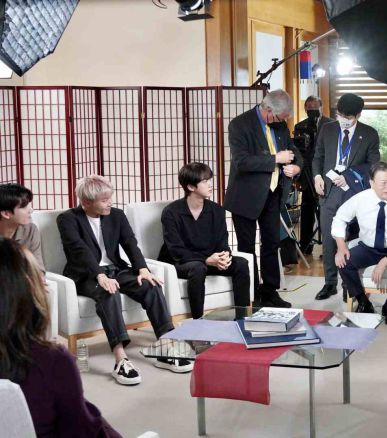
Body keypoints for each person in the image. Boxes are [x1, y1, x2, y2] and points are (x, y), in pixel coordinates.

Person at [57, 175, 192, 386]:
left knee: (150, 286)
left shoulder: (117, 215)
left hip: (116, 269)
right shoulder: (67, 219)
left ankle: (165, 347)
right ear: (86, 202)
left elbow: (130, 243)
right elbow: (78, 250)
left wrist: (143, 269)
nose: (110, 203)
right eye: (104, 200)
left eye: (110, 198)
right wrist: (100, 275)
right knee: (108, 292)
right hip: (86, 274)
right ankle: (121, 359)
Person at [0, 238, 121, 437]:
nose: (43, 281)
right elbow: (82, 432)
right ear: (26, 287)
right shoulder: (52, 362)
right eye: (37, 273)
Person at [223, 89, 301, 309]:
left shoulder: (280, 125)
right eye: (279, 117)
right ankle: (251, 293)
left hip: (273, 193)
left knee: (271, 243)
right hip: (245, 196)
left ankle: (270, 291)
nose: (281, 122)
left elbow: (294, 151)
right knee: (247, 246)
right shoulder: (239, 124)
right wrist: (276, 158)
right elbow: (242, 162)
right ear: (267, 109)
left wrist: (296, 166)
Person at [158, 162, 251, 319]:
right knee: (198, 268)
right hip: (181, 262)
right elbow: (176, 250)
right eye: (205, 181)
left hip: (210, 260)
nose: (210, 185)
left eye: (209, 180)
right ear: (191, 187)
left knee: (241, 264)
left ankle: (242, 318)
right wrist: (207, 260)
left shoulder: (217, 210)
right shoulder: (171, 212)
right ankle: (198, 321)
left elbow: (222, 241)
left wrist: (224, 256)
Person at [312, 93, 380, 302]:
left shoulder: (369, 134)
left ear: (358, 115)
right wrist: (317, 177)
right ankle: (329, 283)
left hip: (354, 194)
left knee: (350, 239)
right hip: (329, 192)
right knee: (329, 240)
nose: (343, 119)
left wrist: (349, 176)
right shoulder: (327, 129)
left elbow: (373, 165)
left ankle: (348, 284)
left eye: (348, 117)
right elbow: (318, 156)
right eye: (340, 115)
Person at [333, 162, 387, 327]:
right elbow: (339, 218)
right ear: (371, 183)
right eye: (383, 183)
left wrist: (385, 261)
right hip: (368, 248)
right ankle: (364, 302)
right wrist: (341, 246)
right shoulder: (360, 199)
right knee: (344, 262)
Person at [294, 95, 334, 255]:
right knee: (307, 211)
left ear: (321, 107)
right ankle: (305, 245)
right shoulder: (300, 126)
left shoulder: (331, 125)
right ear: (305, 109)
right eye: (309, 109)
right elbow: (298, 152)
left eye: (315, 108)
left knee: (326, 212)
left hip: (326, 175)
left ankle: (328, 247)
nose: (312, 111)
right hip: (307, 175)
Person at [0, 183, 44, 271]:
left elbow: (38, 268)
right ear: (6, 213)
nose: (31, 210)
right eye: (24, 207)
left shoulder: (30, 230)